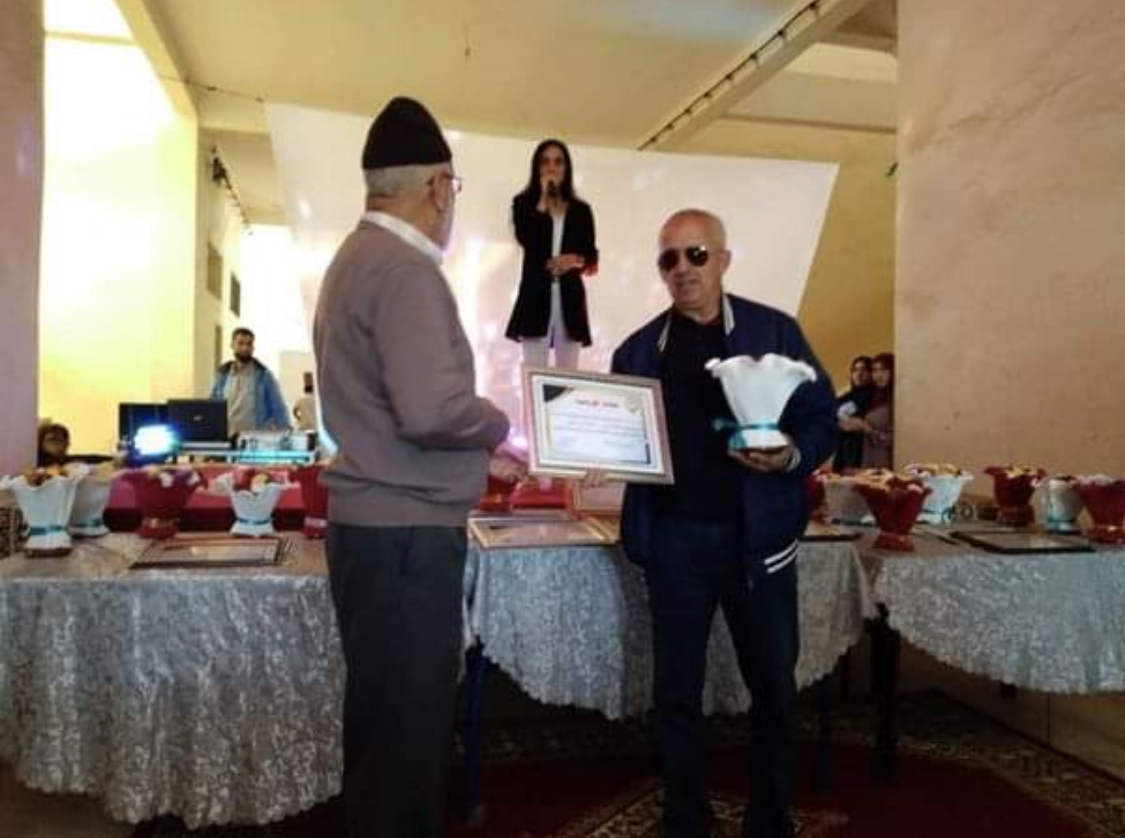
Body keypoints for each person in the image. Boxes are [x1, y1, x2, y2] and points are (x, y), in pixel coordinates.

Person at [312, 96, 516, 838]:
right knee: (406, 737)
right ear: (436, 187)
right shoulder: (405, 270)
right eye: (451, 187)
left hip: (374, 528)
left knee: (382, 728)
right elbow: (431, 411)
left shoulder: (354, 258)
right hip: (404, 536)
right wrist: (497, 426)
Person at [610, 209, 837, 838]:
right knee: (676, 694)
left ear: (724, 260)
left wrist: (790, 455)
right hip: (674, 541)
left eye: (697, 254)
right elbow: (618, 432)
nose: (683, 269)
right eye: (669, 258)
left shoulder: (774, 331)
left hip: (758, 540)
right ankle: (685, 817)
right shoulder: (638, 350)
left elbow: (821, 416)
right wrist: (589, 449)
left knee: (774, 689)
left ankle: (770, 818)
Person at [504, 139, 598, 370]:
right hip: (535, 298)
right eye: (545, 162)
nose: (551, 168)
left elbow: (591, 256)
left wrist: (574, 260)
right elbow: (526, 238)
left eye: (558, 162)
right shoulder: (524, 204)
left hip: (570, 300)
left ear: (566, 168)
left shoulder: (581, 211)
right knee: (534, 372)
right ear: (537, 167)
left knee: (568, 375)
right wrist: (542, 202)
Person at [209, 327, 290, 433]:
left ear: (253, 347)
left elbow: (279, 409)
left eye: (249, 344)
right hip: (227, 436)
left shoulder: (264, 376)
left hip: (254, 438)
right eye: (240, 343)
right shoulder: (222, 375)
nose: (245, 348)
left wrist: (285, 432)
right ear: (232, 345)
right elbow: (213, 407)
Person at [832, 355, 872, 472]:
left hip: (863, 453)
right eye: (855, 370)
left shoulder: (875, 398)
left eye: (864, 370)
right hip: (843, 452)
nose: (859, 374)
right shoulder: (845, 397)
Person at [860, 351, 894, 469]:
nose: (878, 375)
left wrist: (868, 429)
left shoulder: (897, 400)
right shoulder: (875, 397)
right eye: (875, 370)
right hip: (870, 463)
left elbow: (897, 440)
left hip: (887, 465)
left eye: (884, 370)